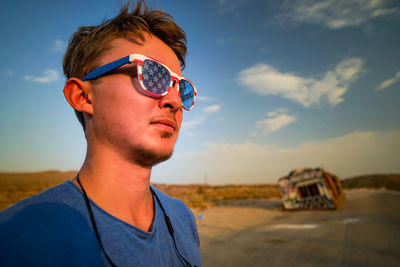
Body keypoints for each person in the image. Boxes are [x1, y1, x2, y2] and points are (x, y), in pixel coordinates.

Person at [0, 1, 201, 266]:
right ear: (82, 96)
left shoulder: (183, 219)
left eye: (181, 88)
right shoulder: (18, 239)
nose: (174, 101)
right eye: (152, 75)